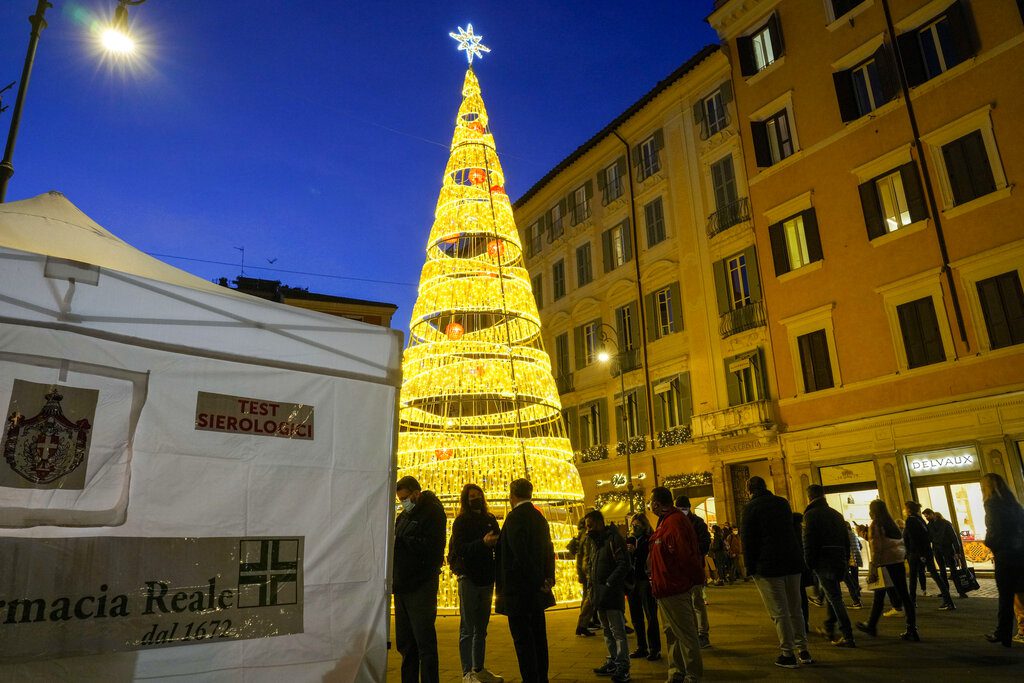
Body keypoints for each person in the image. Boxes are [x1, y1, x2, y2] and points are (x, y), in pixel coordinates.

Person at [740, 476, 811, 668]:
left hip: (769, 566)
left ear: (749, 490)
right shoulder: (782, 503)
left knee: (779, 611)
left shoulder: (750, 508)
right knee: (796, 608)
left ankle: (788, 654)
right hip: (792, 562)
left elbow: (748, 540)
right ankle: (803, 650)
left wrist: (750, 567)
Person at [493, 478, 555, 683]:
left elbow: (520, 554)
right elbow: (549, 549)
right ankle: (542, 677)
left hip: (519, 591)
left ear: (512, 495)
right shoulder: (539, 517)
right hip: (537, 591)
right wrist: (548, 579)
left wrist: (538, 579)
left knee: (523, 641)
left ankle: (531, 678)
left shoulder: (514, 518)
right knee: (539, 637)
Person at [447, 484, 504, 683]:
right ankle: (467, 673)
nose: (476, 498)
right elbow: (461, 548)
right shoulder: (461, 522)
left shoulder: (489, 519)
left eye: (478, 495)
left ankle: (478, 668)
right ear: (466, 499)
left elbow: (499, 541)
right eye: (472, 496)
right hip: (468, 578)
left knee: (481, 627)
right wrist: (483, 543)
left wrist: (494, 542)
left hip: (487, 578)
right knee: (468, 627)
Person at [394, 476, 447, 683]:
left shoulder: (432, 512)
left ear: (416, 493)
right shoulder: (404, 516)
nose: (403, 502)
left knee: (424, 642)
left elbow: (433, 548)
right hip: (402, 585)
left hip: (420, 585)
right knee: (406, 644)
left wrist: (403, 542)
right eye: (400, 499)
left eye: (405, 498)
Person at [649, 487, 704, 683]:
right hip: (664, 588)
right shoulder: (666, 521)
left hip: (674, 586)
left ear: (656, 503)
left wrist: (693, 580)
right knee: (671, 633)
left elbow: (685, 555)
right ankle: (676, 670)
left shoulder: (674, 522)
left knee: (686, 633)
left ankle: (692, 674)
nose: (650, 505)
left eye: (651, 501)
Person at [855, 499, 919, 642]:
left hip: (884, 564)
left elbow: (876, 548)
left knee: (879, 595)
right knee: (903, 595)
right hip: (897, 562)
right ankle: (911, 628)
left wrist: (874, 567)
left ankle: (871, 625)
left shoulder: (876, 524)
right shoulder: (892, 524)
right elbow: (898, 544)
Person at [802, 485, 856, 647]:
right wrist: (846, 558)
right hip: (838, 559)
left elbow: (809, 541)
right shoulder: (836, 514)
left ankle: (848, 635)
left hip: (823, 561)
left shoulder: (811, 515)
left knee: (835, 598)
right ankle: (829, 626)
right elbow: (846, 540)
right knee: (833, 594)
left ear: (809, 497)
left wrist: (809, 563)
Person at [585, 510, 632, 683]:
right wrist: (592, 588)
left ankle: (623, 666)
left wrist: (609, 583)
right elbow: (592, 565)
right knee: (606, 630)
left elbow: (624, 564)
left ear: (599, 523)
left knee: (617, 631)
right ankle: (613, 660)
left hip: (611, 594)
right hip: (599, 594)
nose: (587, 529)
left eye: (590, 525)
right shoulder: (594, 542)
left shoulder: (613, 539)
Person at [980, 472, 1024, 647]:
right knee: (1020, 592)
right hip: (1020, 554)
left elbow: (994, 530)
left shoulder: (991, 504)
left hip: (1005, 555)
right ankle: (1013, 631)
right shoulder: (1014, 504)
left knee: (1005, 595)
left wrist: (989, 543)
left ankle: (1003, 632)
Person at [903, 500, 954, 611]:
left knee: (913, 578)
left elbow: (914, 538)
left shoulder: (910, 521)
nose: (904, 510)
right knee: (935, 575)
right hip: (926, 551)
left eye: (905, 508)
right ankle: (949, 601)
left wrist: (920, 554)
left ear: (909, 510)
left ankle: (912, 602)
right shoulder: (920, 520)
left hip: (916, 553)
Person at [675, 495, 712, 649]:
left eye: (683, 508)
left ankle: (703, 634)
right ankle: (694, 633)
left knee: (697, 602)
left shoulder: (696, 522)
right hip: (682, 568)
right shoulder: (676, 522)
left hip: (694, 567)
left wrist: (692, 554)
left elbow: (705, 543)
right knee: (688, 603)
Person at [626, 512, 661, 661]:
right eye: (632, 524)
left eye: (637, 525)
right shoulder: (630, 540)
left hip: (645, 580)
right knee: (636, 616)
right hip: (632, 581)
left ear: (644, 525)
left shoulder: (649, 540)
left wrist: (637, 552)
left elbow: (651, 558)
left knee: (651, 615)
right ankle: (641, 646)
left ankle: (654, 649)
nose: (634, 527)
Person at [924, 509, 968, 598]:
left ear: (932, 514)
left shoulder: (943, 524)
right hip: (941, 549)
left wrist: (957, 551)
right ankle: (955, 591)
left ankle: (952, 591)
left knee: (949, 571)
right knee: (947, 571)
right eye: (925, 516)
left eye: (927, 516)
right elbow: (953, 537)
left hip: (944, 549)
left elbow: (953, 537)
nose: (926, 518)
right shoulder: (933, 525)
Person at [567, 519, 597, 637]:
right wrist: (586, 573)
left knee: (588, 597)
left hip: (585, 571)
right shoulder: (587, 536)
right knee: (590, 598)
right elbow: (585, 556)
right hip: (588, 572)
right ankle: (582, 625)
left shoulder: (582, 535)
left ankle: (584, 624)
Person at [844, 522, 863, 608]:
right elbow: (860, 546)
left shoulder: (844, 534)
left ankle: (856, 588)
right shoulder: (853, 534)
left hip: (849, 558)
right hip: (856, 558)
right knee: (855, 576)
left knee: (847, 576)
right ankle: (857, 593)